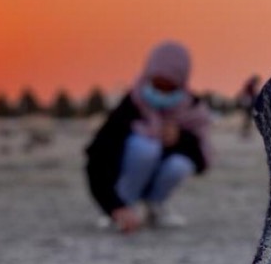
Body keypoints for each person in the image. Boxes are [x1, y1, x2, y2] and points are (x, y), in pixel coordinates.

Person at [85, 41, 213, 233]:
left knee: (180, 164)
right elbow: (96, 157)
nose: (162, 92)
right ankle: (126, 204)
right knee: (145, 148)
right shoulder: (130, 106)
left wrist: (181, 138)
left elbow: (201, 161)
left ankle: (154, 207)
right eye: (158, 84)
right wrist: (113, 206)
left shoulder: (193, 109)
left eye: (170, 87)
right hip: (123, 186)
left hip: (158, 176)